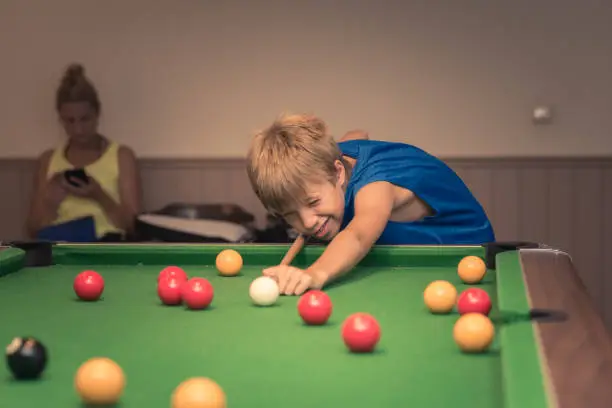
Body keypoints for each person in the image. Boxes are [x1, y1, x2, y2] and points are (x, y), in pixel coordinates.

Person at [246, 113, 495, 295]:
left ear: (338, 173)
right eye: (291, 214)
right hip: (407, 259)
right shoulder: (330, 159)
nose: (307, 222)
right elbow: (358, 134)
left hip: (464, 252)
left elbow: (357, 235)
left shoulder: (376, 185)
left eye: (313, 202)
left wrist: (313, 274)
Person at [25, 63, 142, 242]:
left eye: (85, 119)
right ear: (60, 119)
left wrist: (99, 195)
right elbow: (32, 231)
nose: (78, 129)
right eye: (69, 121)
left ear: (97, 113)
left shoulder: (121, 156)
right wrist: (49, 203)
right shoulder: (48, 160)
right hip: (60, 249)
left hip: (108, 247)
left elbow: (133, 227)